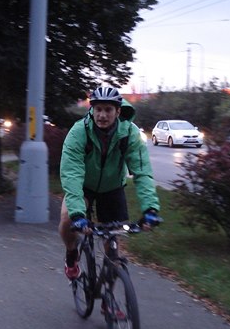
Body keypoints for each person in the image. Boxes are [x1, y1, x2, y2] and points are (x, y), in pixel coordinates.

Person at [58, 86, 160, 280]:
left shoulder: (129, 133)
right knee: (67, 217)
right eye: (98, 109)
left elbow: (142, 172)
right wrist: (78, 214)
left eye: (108, 110)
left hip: (112, 187)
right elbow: (72, 175)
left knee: (112, 242)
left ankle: (109, 299)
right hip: (83, 187)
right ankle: (72, 254)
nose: (102, 115)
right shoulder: (79, 133)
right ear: (92, 110)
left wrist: (150, 209)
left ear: (118, 111)